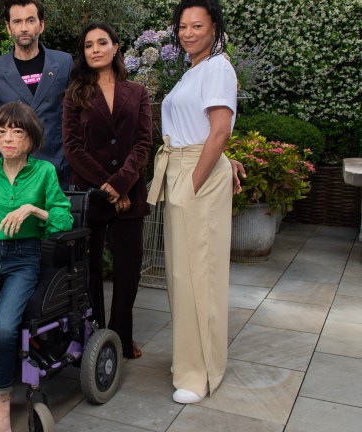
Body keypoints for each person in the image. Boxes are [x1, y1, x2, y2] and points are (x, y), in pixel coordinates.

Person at [146, 0, 246, 404]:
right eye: (183, 26)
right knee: (181, 278)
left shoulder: (219, 66)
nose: (188, 32)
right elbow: (204, 129)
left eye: (197, 25)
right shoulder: (194, 70)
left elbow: (219, 131)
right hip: (182, 168)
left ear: (214, 28)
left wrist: (196, 180)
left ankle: (201, 373)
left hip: (194, 176)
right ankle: (188, 359)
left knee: (199, 278)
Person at [0, 102, 73, 432]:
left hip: (25, 258)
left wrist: (34, 210)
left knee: (6, 330)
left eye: (17, 131)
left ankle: (3, 404)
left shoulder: (45, 172)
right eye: (1, 131)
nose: (7, 138)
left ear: (30, 138)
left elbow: (63, 219)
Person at [62, 22, 152, 359]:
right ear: (83, 53)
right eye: (88, 45)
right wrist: (107, 186)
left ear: (116, 47)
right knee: (91, 270)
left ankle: (121, 338)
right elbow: (73, 148)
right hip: (90, 196)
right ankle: (94, 337)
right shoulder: (74, 93)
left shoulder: (138, 93)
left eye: (102, 42)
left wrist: (121, 184)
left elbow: (143, 143)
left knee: (128, 272)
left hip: (130, 195)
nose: (95, 49)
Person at [0, 0, 73, 186]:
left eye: (30, 20)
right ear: (8, 27)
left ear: (42, 25)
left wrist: (68, 160)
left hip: (56, 169)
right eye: (17, 21)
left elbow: (73, 117)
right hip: (12, 173)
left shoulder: (64, 63)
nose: (24, 28)